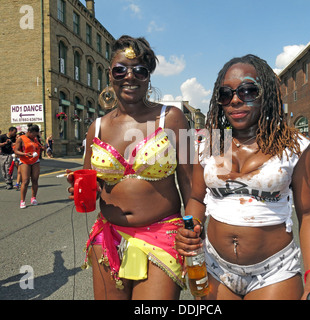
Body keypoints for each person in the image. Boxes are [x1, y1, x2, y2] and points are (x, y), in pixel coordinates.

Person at [175, 55, 310, 300]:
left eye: (247, 91)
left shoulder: (294, 146)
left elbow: (309, 214)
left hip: (276, 272)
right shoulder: (210, 144)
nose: (235, 100)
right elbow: (197, 199)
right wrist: (193, 227)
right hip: (214, 267)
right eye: (226, 94)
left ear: (266, 94)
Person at [67, 35, 192, 300]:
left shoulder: (172, 118)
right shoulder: (96, 127)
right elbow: (92, 181)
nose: (130, 76)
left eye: (140, 71)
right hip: (108, 237)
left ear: (148, 77)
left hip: (163, 236)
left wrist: (194, 227)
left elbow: (192, 184)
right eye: (120, 69)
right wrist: (80, 188)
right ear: (110, 74)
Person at [14, 124, 43, 208]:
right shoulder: (21, 138)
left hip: (35, 160)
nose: (35, 136)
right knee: (25, 181)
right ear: (29, 132)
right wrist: (25, 154)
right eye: (34, 134)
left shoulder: (34, 138)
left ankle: (33, 198)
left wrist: (41, 148)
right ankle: (22, 201)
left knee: (35, 179)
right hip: (25, 161)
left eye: (36, 134)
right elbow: (16, 151)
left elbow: (38, 146)